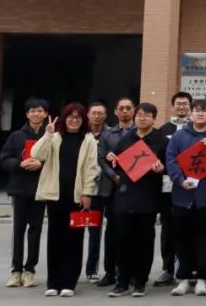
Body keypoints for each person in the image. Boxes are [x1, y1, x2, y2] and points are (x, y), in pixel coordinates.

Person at [31, 103, 98, 297]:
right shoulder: (55, 137)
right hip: (55, 195)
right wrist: (47, 133)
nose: (74, 120)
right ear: (64, 118)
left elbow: (91, 168)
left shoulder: (88, 140)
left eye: (78, 117)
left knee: (74, 240)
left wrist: (87, 192)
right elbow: (36, 154)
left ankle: (69, 282)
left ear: (83, 120)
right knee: (55, 239)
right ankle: (53, 282)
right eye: (70, 116)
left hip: (76, 197)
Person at [165, 98, 206, 296]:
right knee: (182, 238)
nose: (200, 113)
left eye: (204, 110)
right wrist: (179, 180)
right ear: (190, 113)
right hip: (182, 195)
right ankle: (183, 279)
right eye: (196, 110)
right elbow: (171, 159)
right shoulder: (179, 136)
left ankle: (202, 278)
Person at [107, 102, 169, 298]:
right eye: (140, 114)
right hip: (125, 195)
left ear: (154, 118)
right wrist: (112, 159)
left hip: (148, 196)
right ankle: (122, 282)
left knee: (144, 241)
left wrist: (162, 168)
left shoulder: (161, 140)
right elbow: (117, 164)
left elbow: (170, 164)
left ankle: (140, 282)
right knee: (122, 240)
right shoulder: (127, 138)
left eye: (147, 115)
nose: (142, 118)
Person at [0, 96, 49, 289]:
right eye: (33, 111)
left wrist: (41, 164)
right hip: (20, 188)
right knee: (18, 229)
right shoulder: (16, 136)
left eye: (40, 111)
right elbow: (4, 159)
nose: (36, 114)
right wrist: (20, 163)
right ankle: (16, 270)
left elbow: (56, 161)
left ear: (45, 114)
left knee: (35, 229)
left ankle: (30, 270)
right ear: (27, 114)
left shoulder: (50, 136)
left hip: (40, 189)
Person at [95, 96, 135, 288]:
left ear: (134, 111)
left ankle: (131, 272)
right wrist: (114, 176)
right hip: (112, 188)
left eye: (128, 108)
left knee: (132, 232)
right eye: (121, 108)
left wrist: (127, 177)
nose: (125, 111)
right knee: (112, 231)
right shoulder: (108, 134)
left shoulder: (139, 132)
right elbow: (101, 158)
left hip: (134, 188)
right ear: (115, 112)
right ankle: (110, 272)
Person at [154, 91, 191, 287]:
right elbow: (157, 155)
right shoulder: (163, 130)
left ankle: (189, 268)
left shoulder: (196, 128)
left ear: (190, 107)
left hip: (191, 185)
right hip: (168, 185)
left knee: (189, 228)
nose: (182, 107)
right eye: (179, 103)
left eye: (185, 104)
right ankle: (168, 269)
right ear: (172, 106)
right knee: (168, 228)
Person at [84, 100, 109, 284]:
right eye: (94, 113)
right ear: (88, 115)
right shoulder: (82, 135)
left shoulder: (111, 134)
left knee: (108, 232)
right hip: (88, 191)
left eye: (100, 113)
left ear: (106, 115)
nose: (97, 116)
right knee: (91, 230)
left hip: (107, 189)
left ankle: (109, 269)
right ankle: (90, 269)